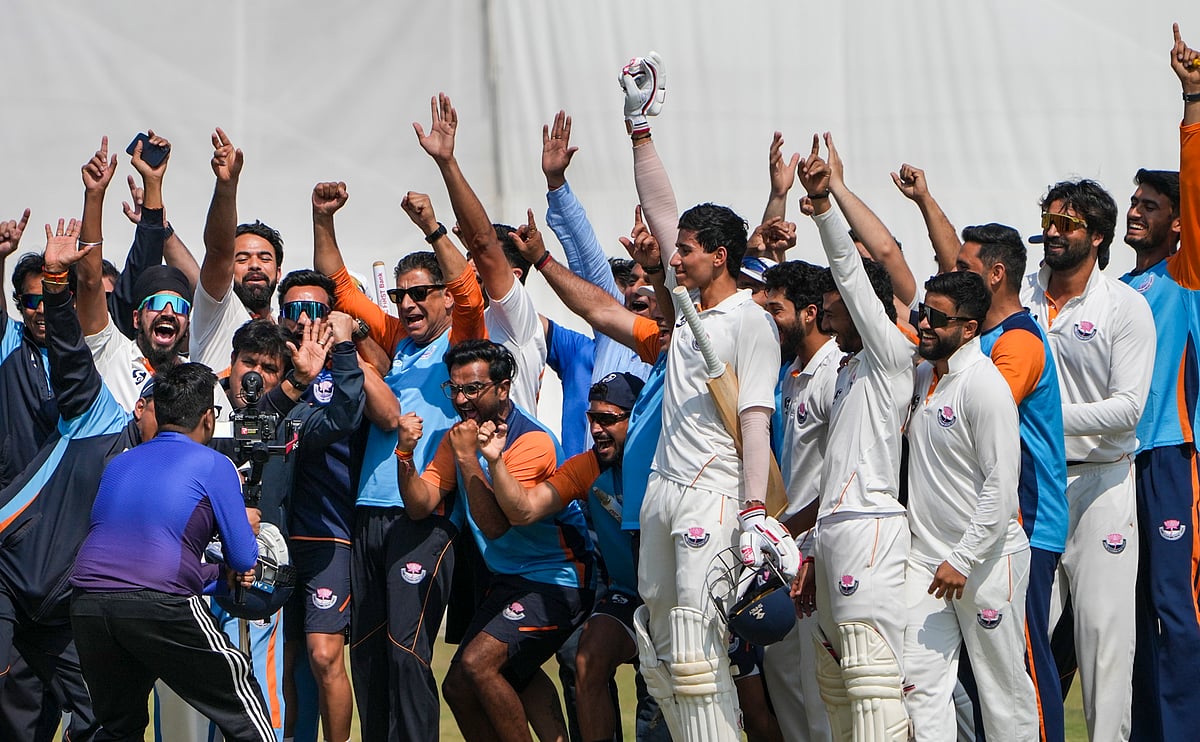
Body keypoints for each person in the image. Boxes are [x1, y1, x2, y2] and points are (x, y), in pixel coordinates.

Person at [311, 181, 486, 742]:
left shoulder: (458, 342)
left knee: (407, 653)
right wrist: (322, 219)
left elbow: (470, 290)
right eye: (402, 296)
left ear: (440, 298)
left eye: (421, 294)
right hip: (368, 511)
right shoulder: (398, 340)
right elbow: (339, 287)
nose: (408, 304)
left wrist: (432, 225)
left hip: (425, 516)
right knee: (367, 654)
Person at [0, 219, 156, 740]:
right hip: (10, 564)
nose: (39, 311)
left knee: (106, 715)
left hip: (68, 588)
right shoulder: (18, 357)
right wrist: (49, 277)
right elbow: (65, 347)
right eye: (31, 302)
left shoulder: (148, 447)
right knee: (14, 712)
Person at [397, 339, 593, 742]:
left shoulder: (530, 442)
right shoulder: (462, 437)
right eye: (454, 389)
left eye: (473, 389)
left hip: (556, 580)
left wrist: (469, 457)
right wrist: (404, 456)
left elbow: (497, 526)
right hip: (508, 582)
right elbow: (421, 504)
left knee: (478, 664)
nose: (462, 399)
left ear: (503, 388)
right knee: (459, 686)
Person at [69, 362, 273, 742]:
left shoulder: (120, 463)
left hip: (87, 605)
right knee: (242, 702)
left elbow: (132, 552)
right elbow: (244, 559)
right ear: (209, 419)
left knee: (118, 727)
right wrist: (227, 562)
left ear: (157, 412)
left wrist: (211, 576)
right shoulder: (215, 463)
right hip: (159, 602)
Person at [1019, 178, 1155, 741]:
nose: (1052, 231)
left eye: (1067, 224)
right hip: (1032, 485)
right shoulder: (1020, 293)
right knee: (1022, 638)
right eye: (1048, 219)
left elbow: (1127, 410)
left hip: (1101, 484)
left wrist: (1042, 418)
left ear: (1097, 237)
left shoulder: (1125, 306)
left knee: (1103, 643)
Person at [799, 136, 914, 740]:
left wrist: (823, 207)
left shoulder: (890, 353)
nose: (822, 316)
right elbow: (832, 469)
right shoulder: (843, 371)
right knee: (836, 688)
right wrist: (812, 545)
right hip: (837, 532)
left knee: (873, 687)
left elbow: (852, 267)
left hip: (873, 528)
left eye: (831, 308)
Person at [465, 372, 643, 741]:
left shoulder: (664, 465)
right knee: (587, 660)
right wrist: (496, 463)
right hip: (628, 594)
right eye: (592, 419)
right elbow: (525, 510)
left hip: (675, 601)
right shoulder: (587, 466)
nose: (596, 429)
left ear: (638, 417)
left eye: (608, 420)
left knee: (668, 700)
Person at [901, 270, 1037, 740]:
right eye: (923, 312)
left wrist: (963, 557)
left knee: (1002, 693)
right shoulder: (922, 376)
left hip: (986, 562)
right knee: (916, 685)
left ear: (969, 328)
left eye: (938, 318)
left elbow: (1003, 487)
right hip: (926, 563)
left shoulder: (985, 386)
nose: (924, 324)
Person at [952, 223, 1069, 742]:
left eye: (963, 269)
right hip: (994, 523)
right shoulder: (987, 335)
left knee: (1022, 659)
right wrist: (924, 199)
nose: (951, 276)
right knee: (986, 666)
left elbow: (980, 408)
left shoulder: (1017, 341)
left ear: (995, 275)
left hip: (1028, 521)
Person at [1123, 24, 1200, 739]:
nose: (1135, 211)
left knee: (1178, 607)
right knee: (1130, 608)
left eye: (1150, 204)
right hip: (1115, 466)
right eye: (1133, 202)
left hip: (1173, 456)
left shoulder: (1188, 278)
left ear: (1179, 225)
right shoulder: (1115, 291)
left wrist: (1194, 103)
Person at [417, 93, 546, 413]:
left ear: (514, 277)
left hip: (512, 455)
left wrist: (446, 162)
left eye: (478, 261)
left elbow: (485, 244)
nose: (470, 264)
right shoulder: (466, 317)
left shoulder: (515, 315)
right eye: (468, 256)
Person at [760, 259, 838, 742]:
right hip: (786, 545)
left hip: (821, 547)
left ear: (810, 312)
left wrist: (794, 531)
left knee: (821, 683)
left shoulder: (835, 371)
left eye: (777, 309)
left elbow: (841, 472)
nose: (770, 320)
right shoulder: (790, 373)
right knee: (782, 667)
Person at [192, 127, 285, 372]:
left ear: (278, 272)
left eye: (265, 258)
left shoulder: (286, 327)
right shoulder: (216, 308)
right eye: (242, 259)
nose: (254, 265)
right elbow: (219, 251)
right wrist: (226, 186)